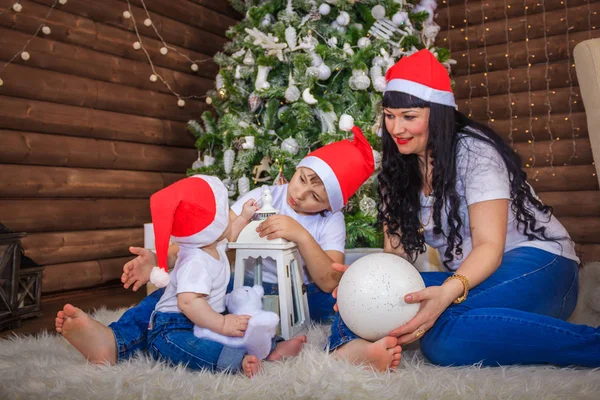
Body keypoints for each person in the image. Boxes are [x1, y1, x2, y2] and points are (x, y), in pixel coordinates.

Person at [328, 49, 599, 371]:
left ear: (439, 114)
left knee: (442, 338)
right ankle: (351, 348)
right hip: (471, 276)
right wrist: (370, 282)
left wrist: (445, 293)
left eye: (409, 117)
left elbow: (489, 247)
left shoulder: (474, 151)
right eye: (389, 115)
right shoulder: (397, 170)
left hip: (541, 265)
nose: (396, 128)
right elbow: (395, 258)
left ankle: (590, 346)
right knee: (346, 296)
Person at [55, 127, 375, 365]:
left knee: (346, 303)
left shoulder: (330, 220)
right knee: (181, 291)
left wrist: (301, 235)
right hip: (249, 281)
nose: (300, 194)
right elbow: (208, 235)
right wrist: (157, 261)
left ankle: (329, 351)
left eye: (315, 196)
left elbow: (329, 281)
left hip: (306, 294)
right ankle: (114, 340)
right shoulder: (266, 195)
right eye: (302, 178)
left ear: (329, 204)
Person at [145, 175, 302, 377]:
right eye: (225, 213)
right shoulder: (195, 262)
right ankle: (237, 361)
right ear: (213, 226)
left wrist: (245, 217)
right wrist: (221, 324)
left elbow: (229, 234)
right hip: (173, 326)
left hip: (206, 317)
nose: (230, 216)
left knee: (244, 323)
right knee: (191, 347)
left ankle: (271, 346)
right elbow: (188, 303)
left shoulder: (212, 243)